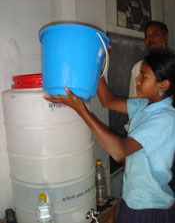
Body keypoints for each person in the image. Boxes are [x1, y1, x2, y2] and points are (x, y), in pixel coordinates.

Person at [44, 50, 175, 223]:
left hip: (149, 207)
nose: (137, 81)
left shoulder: (164, 118)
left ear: (163, 85)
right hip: (134, 199)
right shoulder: (144, 105)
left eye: (144, 77)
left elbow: (119, 151)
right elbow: (108, 101)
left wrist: (81, 109)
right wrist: (96, 65)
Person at [129, 20, 169, 98]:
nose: (150, 38)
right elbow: (133, 99)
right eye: (146, 36)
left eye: (155, 34)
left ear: (166, 37)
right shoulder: (138, 67)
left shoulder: (172, 64)